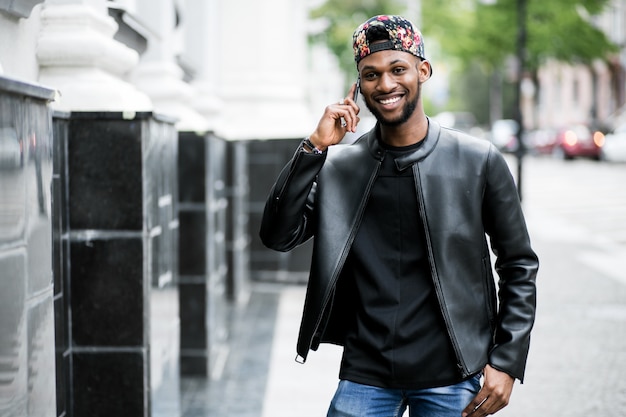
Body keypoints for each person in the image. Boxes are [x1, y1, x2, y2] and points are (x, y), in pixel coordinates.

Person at [259, 14, 538, 417]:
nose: (385, 84)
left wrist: (508, 360)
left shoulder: (478, 161)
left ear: (422, 71)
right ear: (358, 85)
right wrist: (314, 148)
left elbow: (518, 264)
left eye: (398, 69)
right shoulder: (341, 167)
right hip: (365, 376)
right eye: (371, 75)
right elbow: (277, 235)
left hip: (451, 375)